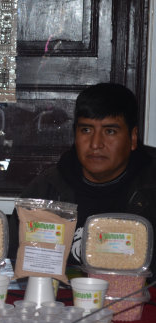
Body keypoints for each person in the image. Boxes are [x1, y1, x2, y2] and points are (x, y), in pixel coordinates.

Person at [9, 83, 156, 277]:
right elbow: (13, 268)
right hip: (61, 304)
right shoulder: (47, 189)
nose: (96, 144)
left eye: (110, 131)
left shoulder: (150, 187)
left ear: (133, 137)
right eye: (86, 130)